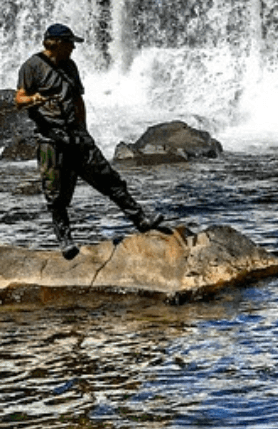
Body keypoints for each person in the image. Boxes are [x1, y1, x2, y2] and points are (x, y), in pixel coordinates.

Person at [15, 23, 168, 260]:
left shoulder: (70, 65)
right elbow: (19, 98)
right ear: (57, 43)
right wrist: (35, 99)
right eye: (70, 43)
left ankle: (141, 219)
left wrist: (84, 131)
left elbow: (78, 100)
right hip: (50, 140)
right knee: (55, 194)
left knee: (110, 179)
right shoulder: (32, 66)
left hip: (77, 136)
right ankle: (65, 239)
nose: (74, 47)